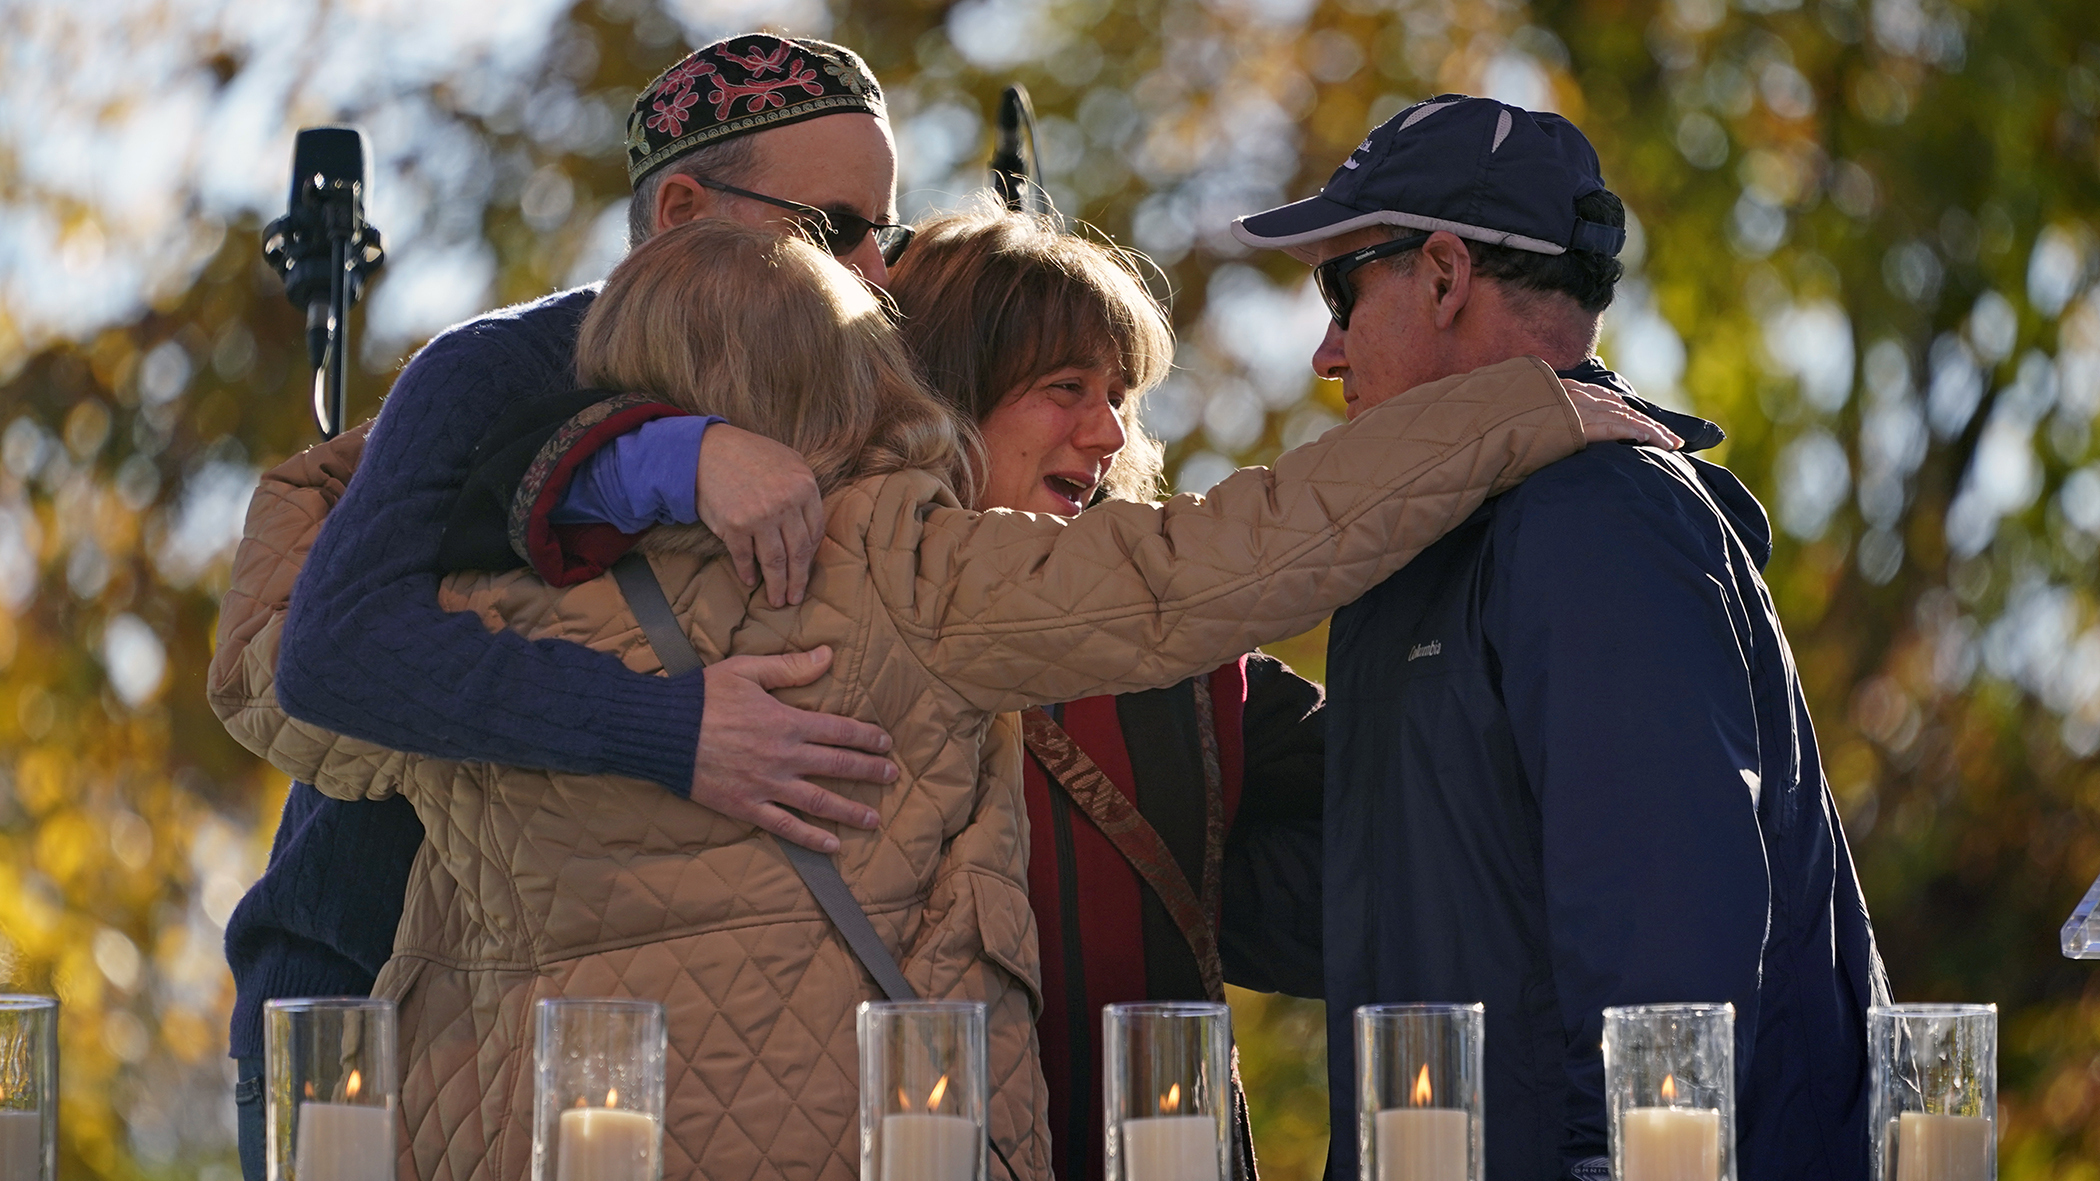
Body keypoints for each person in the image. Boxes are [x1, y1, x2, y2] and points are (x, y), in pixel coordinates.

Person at [211, 218, 1637, 1178]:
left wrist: (500, 452)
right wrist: (1518, 405)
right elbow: (1218, 563)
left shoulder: (444, 629)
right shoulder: (901, 568)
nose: (1106, 431)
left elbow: (284, 649)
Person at [475, 204, 1336, 1181]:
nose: (1106, 431)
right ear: (954, 392)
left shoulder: (1180, 665)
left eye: (1121, 398)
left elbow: (1378, 875)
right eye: (1065, 388)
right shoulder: (776, 614)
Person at [212, 34, 914, 1181]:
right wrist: (672, 729)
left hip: (590, 1046)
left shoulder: (850, 382)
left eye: (895, 232)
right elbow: (334, 652)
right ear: (683, 208)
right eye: (838, 229)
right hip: (357, 1019)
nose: (878, 273)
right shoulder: (502, 368)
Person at [1230, 94, 1889, 1181]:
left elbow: (1668, 971)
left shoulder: (1593, 518)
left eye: (1340, 289)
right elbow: (1417, 914)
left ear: (1443, 273)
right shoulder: (1450, 544)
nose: (1325, 349)